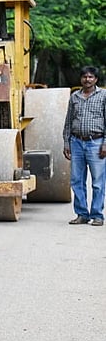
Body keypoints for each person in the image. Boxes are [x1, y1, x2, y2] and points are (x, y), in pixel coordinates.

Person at [62, 66, 106, 226]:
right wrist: (66, 143)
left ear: (96, 79)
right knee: (76, 181)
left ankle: (97, 215)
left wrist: (105, 143)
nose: (87, 79)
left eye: (91, 77)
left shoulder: (103, 96)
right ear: (81, 79)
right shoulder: (75, 97)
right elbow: (68, 121)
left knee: (98, 182)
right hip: (76, 142)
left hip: (96, 143)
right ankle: (82, 214)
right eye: (85, 77)